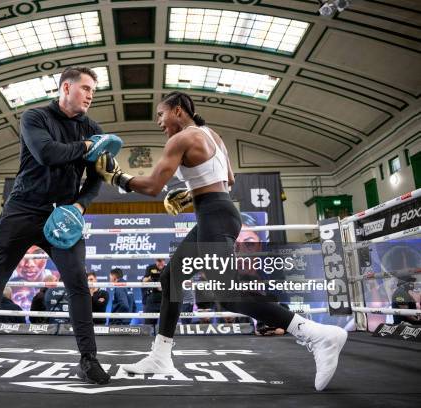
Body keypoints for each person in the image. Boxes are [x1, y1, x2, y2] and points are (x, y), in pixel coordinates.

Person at [94, 91, 347, 391]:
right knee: (171, 277)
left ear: (177, 111)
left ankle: (314, 332)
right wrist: (190, 192)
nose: (159, 123)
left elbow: (152, 186)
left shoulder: (180, 139)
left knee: (226, 294)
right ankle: (160, 355)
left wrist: (117, 177)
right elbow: (229, 179)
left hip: (214, 215)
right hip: (217, 212)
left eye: (160, 115)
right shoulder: (212, 135)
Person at [0, 66, 114, 385]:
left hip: (63, 215)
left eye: (94, 90)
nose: (92, 94)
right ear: (66, 87)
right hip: (22, 208)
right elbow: (47, 153)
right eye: (86, 88)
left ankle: (88, 358)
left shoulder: (93, 127)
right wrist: (86, 147)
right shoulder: (34, 117)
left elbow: (96, 179)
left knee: (78, 282)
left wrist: (78, 206)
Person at [142, 259, 164, 325]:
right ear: (156, 261)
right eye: (159, 261)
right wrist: (150, 278)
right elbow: (144, 281)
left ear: (164, 261)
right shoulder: (150, 268)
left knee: (166, 324)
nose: (160, 263)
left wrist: (162, 287)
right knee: (148, 325)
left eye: (162, 261)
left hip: (163, 300)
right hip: (152, 300)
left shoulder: (167, 269)